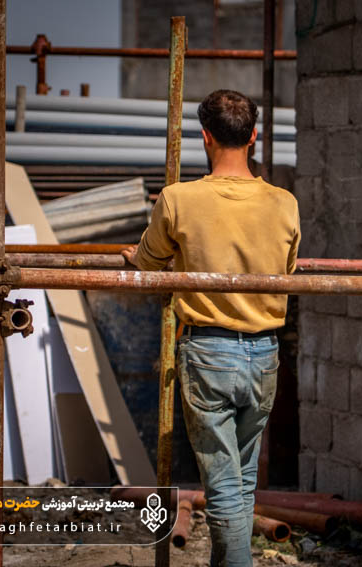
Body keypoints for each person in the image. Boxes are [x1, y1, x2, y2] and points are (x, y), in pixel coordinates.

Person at [123, 89, 300, 567]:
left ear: (205, 137)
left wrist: (136, 257)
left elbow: (147, 263)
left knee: (222, 484)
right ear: (254, 136)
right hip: (264, 353)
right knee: (242, 479)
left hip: (208, 352)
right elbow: (285, 267)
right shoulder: (284, 203)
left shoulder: (178, 199)